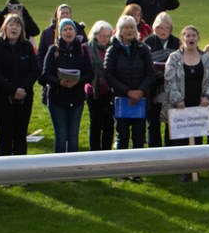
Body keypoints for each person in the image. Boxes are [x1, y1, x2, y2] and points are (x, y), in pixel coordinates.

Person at [0, 12, 39, 157]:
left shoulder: (27, 46)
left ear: (22, 30)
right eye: (11, 24)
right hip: (2, 99)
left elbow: (34, 70)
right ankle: (5, 174)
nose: (14, 28)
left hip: (24, 98)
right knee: (5, 137)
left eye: (17, 25)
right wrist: (12, 90)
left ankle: (21, 173)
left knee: (20, 136)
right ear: (4, 27)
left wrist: (22, 89)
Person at [41, 18, 91, 154]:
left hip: (77, 98)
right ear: (60, 32)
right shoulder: (53, 50)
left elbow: (90, 73)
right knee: (61, 135)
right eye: (65, 29)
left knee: (73, 136)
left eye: (71, 29)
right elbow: (45, 74)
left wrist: (78, 81)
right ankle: (60, 166)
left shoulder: (82, 50)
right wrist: (59, 82)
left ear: (75, 32)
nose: (68, 32)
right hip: (57, 98)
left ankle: (74, 168)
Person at [163, 24, 209, 150]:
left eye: (194, 35)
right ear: (183, 39)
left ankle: (197, 168)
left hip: (200, 106)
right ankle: (181, 169)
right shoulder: (174, 58)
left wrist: (208, 97)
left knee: (198, 143)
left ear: (198, 38)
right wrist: (177, 100)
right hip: (180, 107)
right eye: (187, 36)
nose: (191, 38)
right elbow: (169, 80)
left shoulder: (207, 58)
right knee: (180, 144)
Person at [104, 16, 154, 153]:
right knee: (123, 136)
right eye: (126, 27)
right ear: (120, 30)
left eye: (132, 27)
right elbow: (108, 75)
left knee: (139, 137)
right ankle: (122, 171)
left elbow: (150, 74)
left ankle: (137, 171)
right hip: (122, 99)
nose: (129, 30)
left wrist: (140, 92)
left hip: (140, 99)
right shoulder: (112, 50)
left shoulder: (143, 49)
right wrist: (127, 92)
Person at [142, 13, 180, 147]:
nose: (163, 31)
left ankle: (170, 150)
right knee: (153, 121)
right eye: (160, 28)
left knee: (171, 122)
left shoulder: (177, 42)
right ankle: (154, 151)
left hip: (171, 88)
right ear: (154, 29)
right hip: (152, 89)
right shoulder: (147, 43)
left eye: (166, 28)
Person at [86, 21, 116, 153]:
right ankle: (95, 152)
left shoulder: (113, 49)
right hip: (93, 91)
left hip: (110, 91)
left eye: (107, 36)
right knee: (96, 123)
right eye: (102, 35)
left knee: (109, 124)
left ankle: (106, 151)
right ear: (95, 35)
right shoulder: (87, 48)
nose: (104, 39)